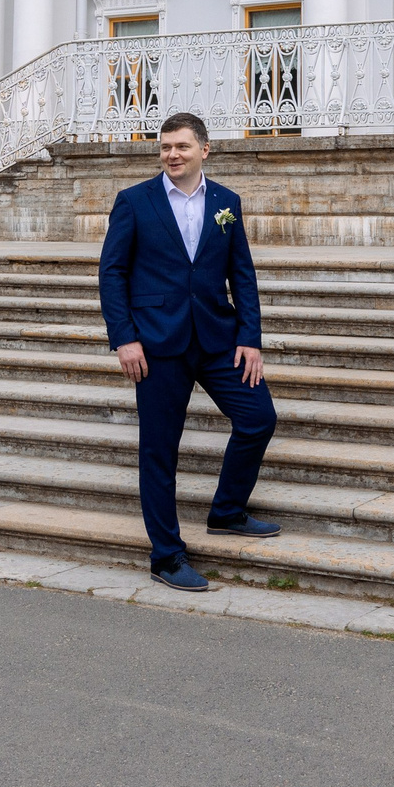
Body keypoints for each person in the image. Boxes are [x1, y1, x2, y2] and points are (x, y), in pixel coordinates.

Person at [96, 112, 278, 591]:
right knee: (159, 451)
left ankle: (227, 510)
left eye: (181, 147)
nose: (171, 155)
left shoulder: (226, 203)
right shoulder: (135, 201)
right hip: (156, 345)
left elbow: (243, 275)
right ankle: (167, 556)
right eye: (165, 147)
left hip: (219, 340)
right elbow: (111, 273)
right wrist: (124, 337)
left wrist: (250, 338)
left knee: (259, 418)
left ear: (204, 150)